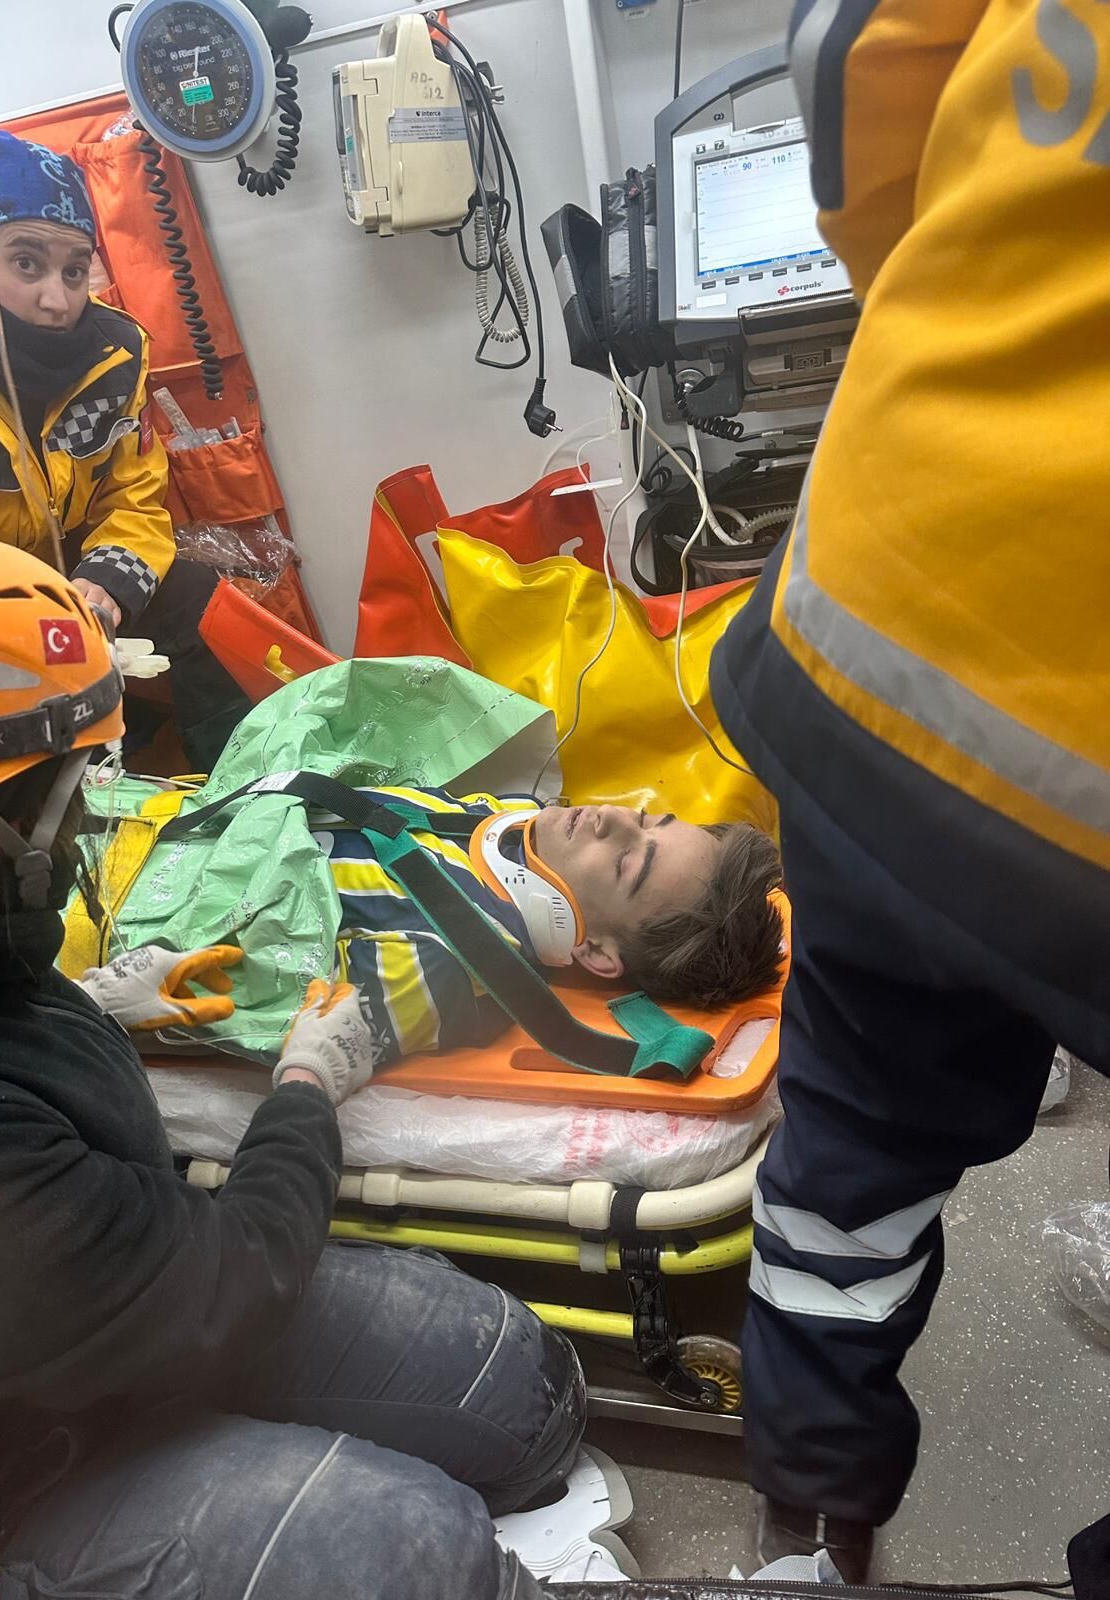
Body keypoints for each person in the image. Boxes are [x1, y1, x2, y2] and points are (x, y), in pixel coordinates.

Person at [0, 528, 583, 1600]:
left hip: (70, 1320)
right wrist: (306, 1090)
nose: (87, 820)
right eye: (74, 787)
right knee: (423, 1560)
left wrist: (89, 1005)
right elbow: (234, 1270)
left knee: (517, 1380)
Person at [709, 0, 1110, 1578]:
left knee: (848, 1157)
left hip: (880, 625)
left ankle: (813, 1517)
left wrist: (976, 340)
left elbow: (848, 63)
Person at [0, 125, 251, 769]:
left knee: (200, 599)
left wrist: (107, 582)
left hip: (70, 572)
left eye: (74, 270)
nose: (58, 300)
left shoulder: (116, 355)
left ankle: (240, 788)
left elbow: (134, 496)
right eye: (26, 263)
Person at [71, 775, 784, 1066]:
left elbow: (271, 1000)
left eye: (629, 861)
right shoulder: (493, 816)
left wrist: (111, 999)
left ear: (597, 953)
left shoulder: (454, 967)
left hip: (90, 909)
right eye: (650, 820)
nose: (614, 818)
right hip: (128, 809)